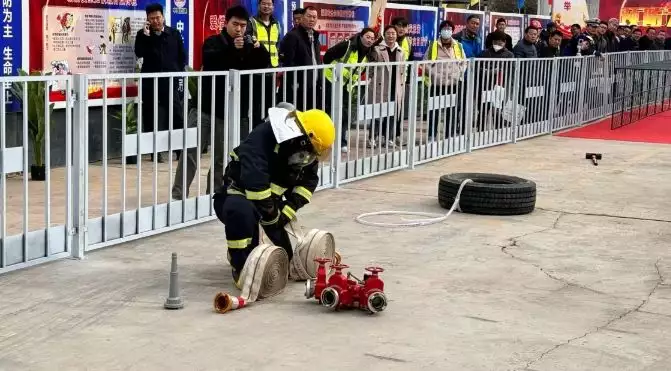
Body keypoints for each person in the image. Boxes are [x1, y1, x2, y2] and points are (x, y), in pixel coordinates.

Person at [212, 105, 336, 286]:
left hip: (271, 204)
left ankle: (257, 250)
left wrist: (289, 208)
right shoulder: (262, 138)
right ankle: (240, 266)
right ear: (302, 139)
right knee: (242, 212)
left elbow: (308, 182)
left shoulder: (306, 150)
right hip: (238, 196)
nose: (310, 158)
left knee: (286, 259)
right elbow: (256, 186)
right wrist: (272, 217)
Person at [171, 5, 269, 200]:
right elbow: (212, 59)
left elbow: (264, 62)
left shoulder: (248, 45)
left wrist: (258, 47)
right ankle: (178, 196)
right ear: (226, 23)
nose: (239, 29)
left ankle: (214, 197)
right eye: (235, 24)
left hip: (228, 113)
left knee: (221, 158)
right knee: (189, 154)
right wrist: (233, 48)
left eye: (243, 25)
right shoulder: (213, 42)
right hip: (203, 109)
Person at [134, 3, 187, 163]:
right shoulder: (142, 35)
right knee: (149, 115)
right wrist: (147, 36)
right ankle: (153, 151)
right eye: (152, 19)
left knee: (176, 113)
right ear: (147, 20)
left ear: (163, 17)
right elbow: (139, 53)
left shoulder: (174, 33)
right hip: (150, 81)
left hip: (169, 81)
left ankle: (179, 150)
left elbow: (182, 56)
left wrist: (176, 73)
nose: (156, 21)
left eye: (158, 17)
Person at [323, 28, 377, 153]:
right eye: (367, 37)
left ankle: (341, 141)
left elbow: (361, 71)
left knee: (344, 115)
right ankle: (326, 140)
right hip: (331, 81)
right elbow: (327, 56)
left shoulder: (369, 54)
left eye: (372, 38)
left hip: (347, 87)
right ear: (361, 36)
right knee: (328, 112)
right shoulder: (347, 45)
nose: (369, 40)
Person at [366, 25, 406, 149]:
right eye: (388, 33)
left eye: (393, 33)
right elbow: (370, 68)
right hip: (380, 86)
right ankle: (372, 138)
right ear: (384, 34)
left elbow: (403, 69)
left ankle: (389, 138)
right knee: (377, 114)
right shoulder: (377, 49)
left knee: (393, 114)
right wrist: (373, 80)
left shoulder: (401, 51)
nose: (391, 36)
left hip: (396, 87)